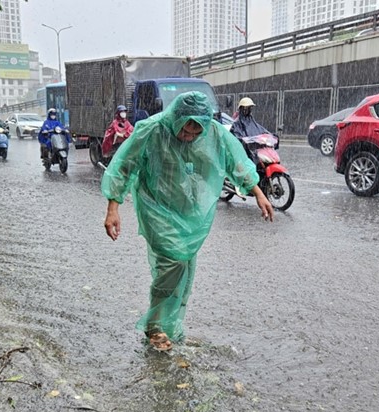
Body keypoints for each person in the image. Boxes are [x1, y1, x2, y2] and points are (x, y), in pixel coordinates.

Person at [102, 91, 274, 352]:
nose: (189, 138)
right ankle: (155, 324)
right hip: (156, 208)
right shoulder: (152, 131)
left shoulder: (213, 133)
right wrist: (113, 207)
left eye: (196, 134)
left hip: (189, 212)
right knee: (174, 261)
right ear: (176, 119)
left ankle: (170, 324)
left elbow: (235, 161)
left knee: (184, 269)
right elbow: (124, 165)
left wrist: (258, 192)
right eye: (185, 131)